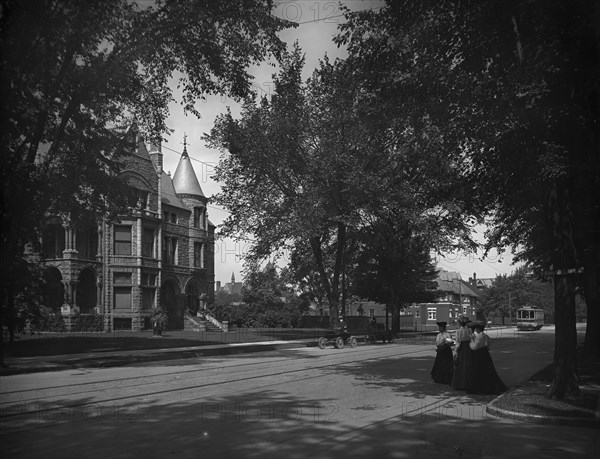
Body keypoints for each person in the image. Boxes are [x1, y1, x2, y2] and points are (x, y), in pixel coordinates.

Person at [466, 321, 507, 395]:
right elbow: (489, 345)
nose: (475, 330)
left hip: (478, 354)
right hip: (485, 354)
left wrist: (471, 341)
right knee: (487, 371)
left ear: (478, 329)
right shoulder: (485, 335)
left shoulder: (479, 337)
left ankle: (480, 388)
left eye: (476, 329)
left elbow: (474, 347)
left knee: (478, 371)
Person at [451, 315, 473, 390]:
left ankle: (461, 383)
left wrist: (455, 351)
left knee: (461, 365)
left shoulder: (459, 331)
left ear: (460, 323)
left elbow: (458, 343)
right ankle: (468, 383)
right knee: (467, 364)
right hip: (468, 347)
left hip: (462, 348)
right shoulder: (469, 330)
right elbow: (472, 339)